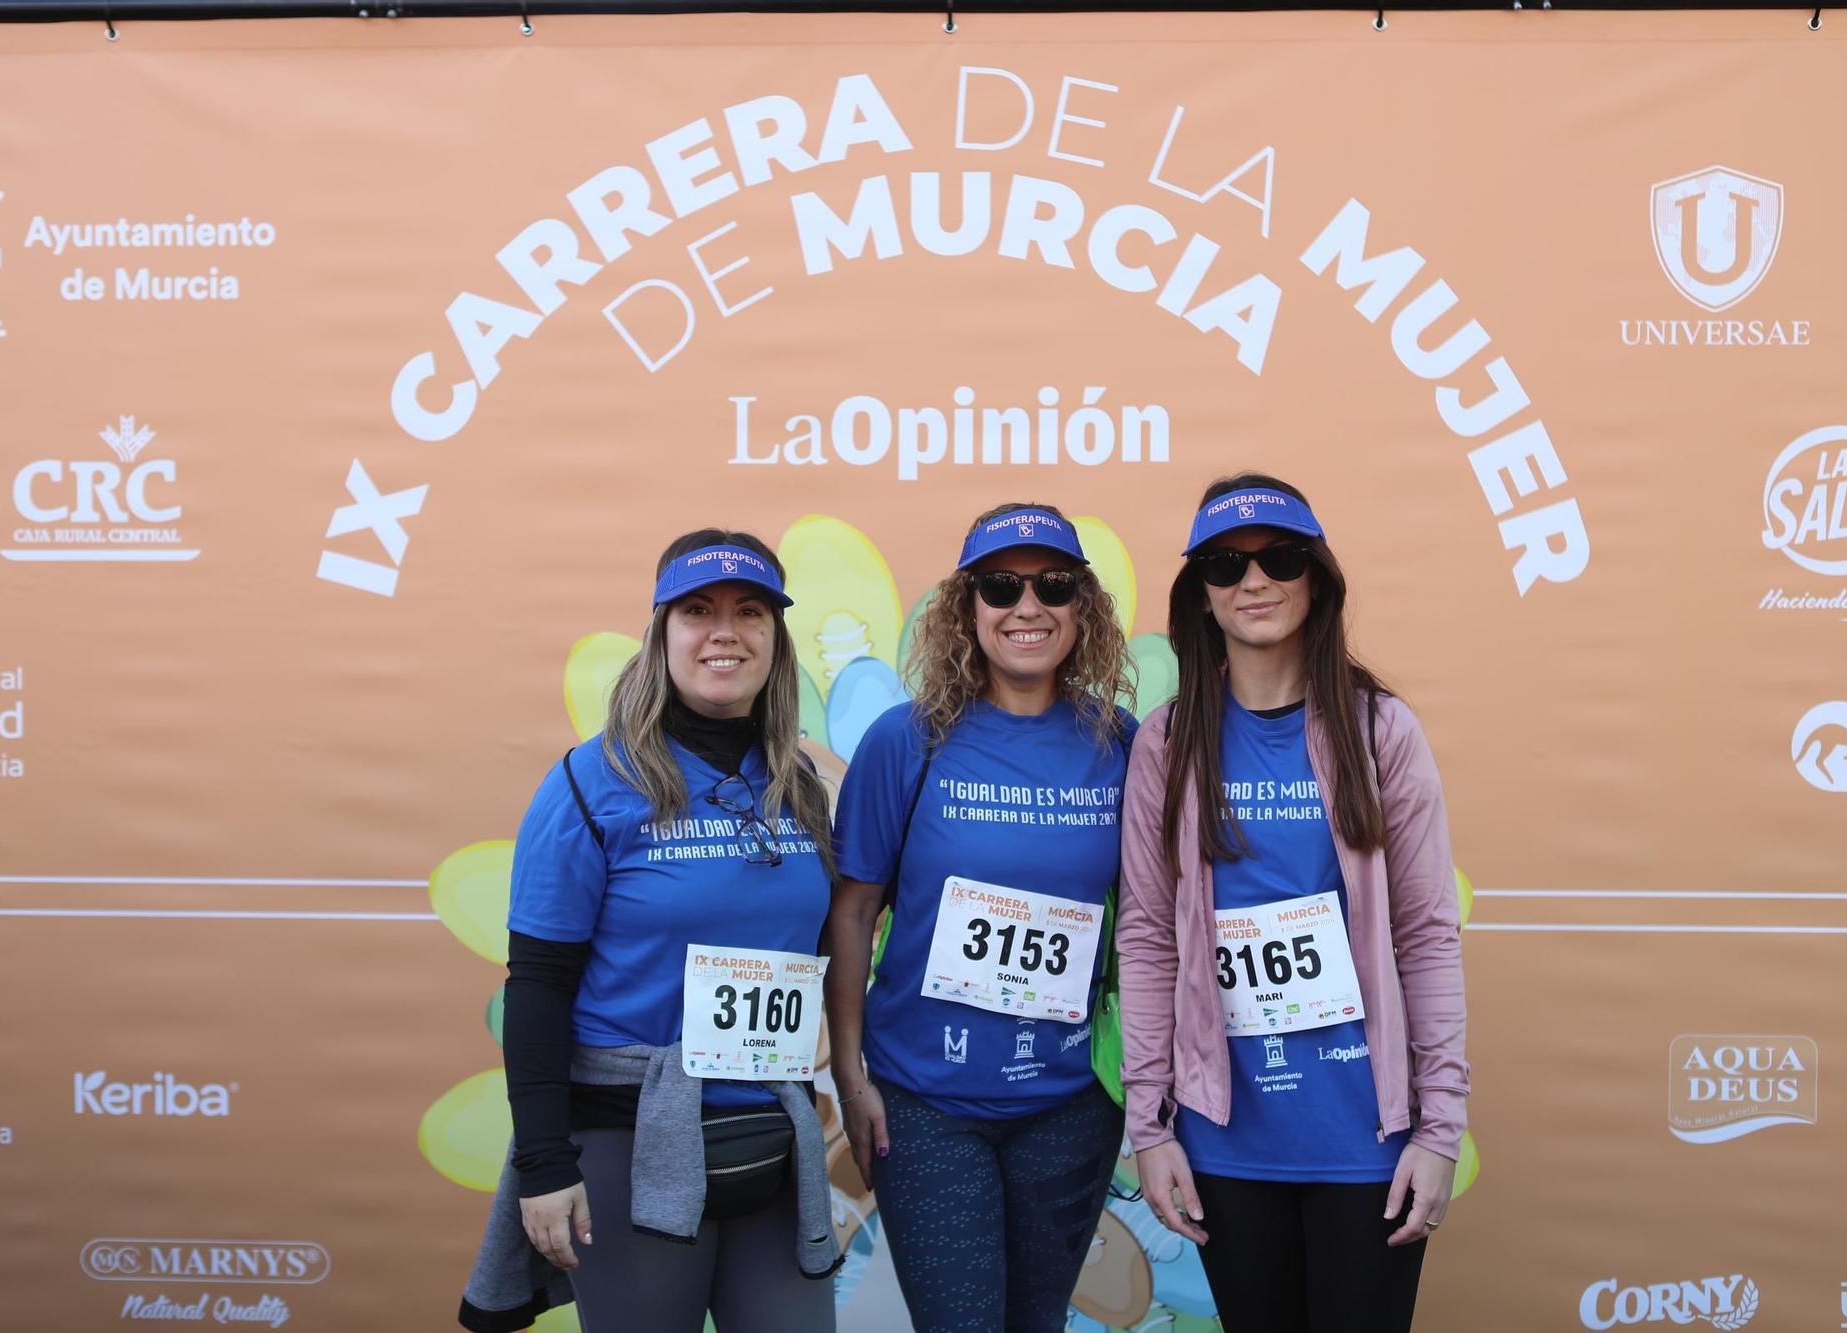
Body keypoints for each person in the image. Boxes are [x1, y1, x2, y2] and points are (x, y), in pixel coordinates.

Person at [1116, 474, 1469, 1333]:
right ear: (1200, 594)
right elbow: (1150, 935)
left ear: (1318, 579)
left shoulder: (1381, 729)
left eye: (1280, 558)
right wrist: (1150, 1126)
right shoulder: (1166, 741)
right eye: (1227, 564)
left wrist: (1440, 1128)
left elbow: (1425, 934)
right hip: (1228, 1137)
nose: (1255, 581)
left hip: (1367, 1137)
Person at [472, 530, 841, 1333]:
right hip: (626, 1142)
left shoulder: (801, 785)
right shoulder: (589, 782)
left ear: (775, 641)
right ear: (661, 633)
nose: (724, 631)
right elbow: (537, 985)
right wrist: (542, 1163)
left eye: (751, 612)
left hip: (770, 1133)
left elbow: (807, 954)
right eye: (697, 611)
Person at [824, 502, 1135, 1333]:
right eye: (1001, 585)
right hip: (926, 1103)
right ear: (966, 606)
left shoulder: (1125, 744)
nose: (1027, 606)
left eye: (1053, 585)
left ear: (1084, 606)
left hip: (1068, 1104)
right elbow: (853, 912)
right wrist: (851, 1076)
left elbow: (1151, 918)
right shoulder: (907, 741)